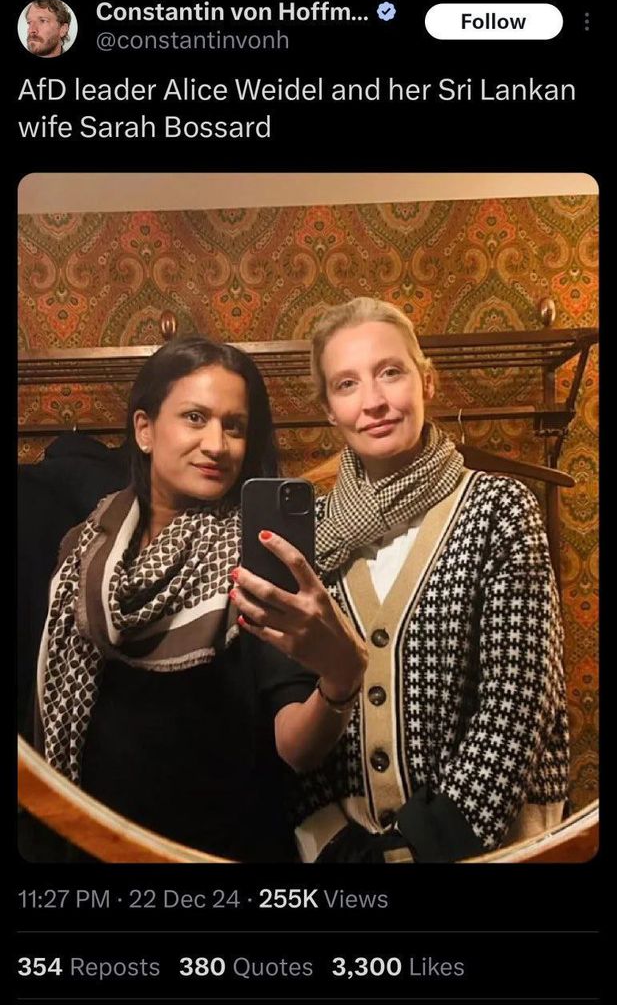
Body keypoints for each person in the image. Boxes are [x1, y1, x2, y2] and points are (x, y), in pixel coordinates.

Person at [233, 298, 570, 863]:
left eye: (390, 372)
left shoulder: (500, 510)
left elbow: (516, 705)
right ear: (329, 410)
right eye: (347, 384)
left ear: (426, 382)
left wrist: (419, 847)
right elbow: (291, 700)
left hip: (490, 849)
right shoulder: (309, 538)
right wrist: (330, 840)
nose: (373, 401)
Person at [34, 336, 367, 862]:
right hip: (91, 847)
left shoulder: (259, 558)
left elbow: (297, 749)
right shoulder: (84, 548)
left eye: (234, 426)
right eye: (195, 418)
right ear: (145, 429)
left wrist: (340, 681)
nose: (217, 444)